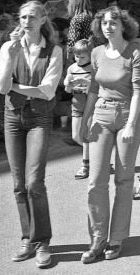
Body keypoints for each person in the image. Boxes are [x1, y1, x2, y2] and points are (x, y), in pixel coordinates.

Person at [0, 0, 63, 268]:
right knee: (18, 183)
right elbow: (1, 88)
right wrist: (10, 54)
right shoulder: (8, 47)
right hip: (12, 117)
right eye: (22, 17)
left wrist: (17, 86)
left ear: (43, 19)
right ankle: (28, 239)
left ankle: (43, 241)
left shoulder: (54, 51)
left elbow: (47, 90)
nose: (26, 21)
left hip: (39, 118)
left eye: (32, 17)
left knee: (35, 181)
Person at [79, 7, 140, 263]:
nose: (108, 27)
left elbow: (138, 89)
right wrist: (85, 120)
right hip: (102, 115)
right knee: (96, 181)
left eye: (113, 23)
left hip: (128, 114)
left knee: (124, 180)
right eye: (104, 23)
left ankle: (116, 238)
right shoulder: (96, 52)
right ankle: (97, 239)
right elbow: (94, 88)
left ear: (123, 25)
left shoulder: (135, 51)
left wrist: (130, 124)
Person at [64, 39, 94, 179]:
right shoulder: (71, 69)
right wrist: (68, 84)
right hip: (76, 104)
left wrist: (85, 82)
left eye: (83, 57)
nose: (79, 60)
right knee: (76, 136)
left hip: (90, 104)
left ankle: (85, 165)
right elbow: (67, 90)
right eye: (77, 56)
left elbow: (96, 88)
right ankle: (96, 154)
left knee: (86, 135)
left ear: (90, 56)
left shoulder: (93, 68)